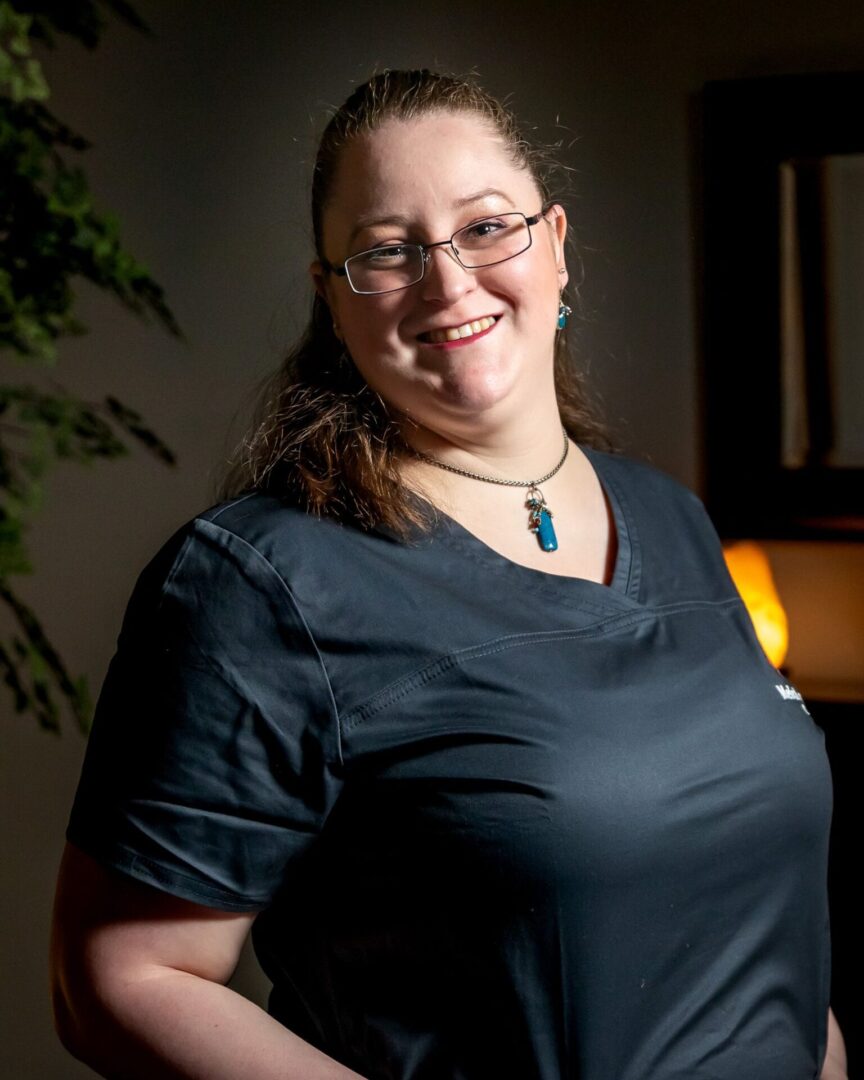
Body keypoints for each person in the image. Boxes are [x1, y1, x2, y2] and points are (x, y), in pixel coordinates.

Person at [50, 69, 847, 1080]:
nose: (447, 281)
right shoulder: (257, 581)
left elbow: (767, 924)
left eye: (484, 228)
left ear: (555, 246)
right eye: (388, 250)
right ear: (332, 300)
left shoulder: (672, 517)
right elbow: (120, 977)